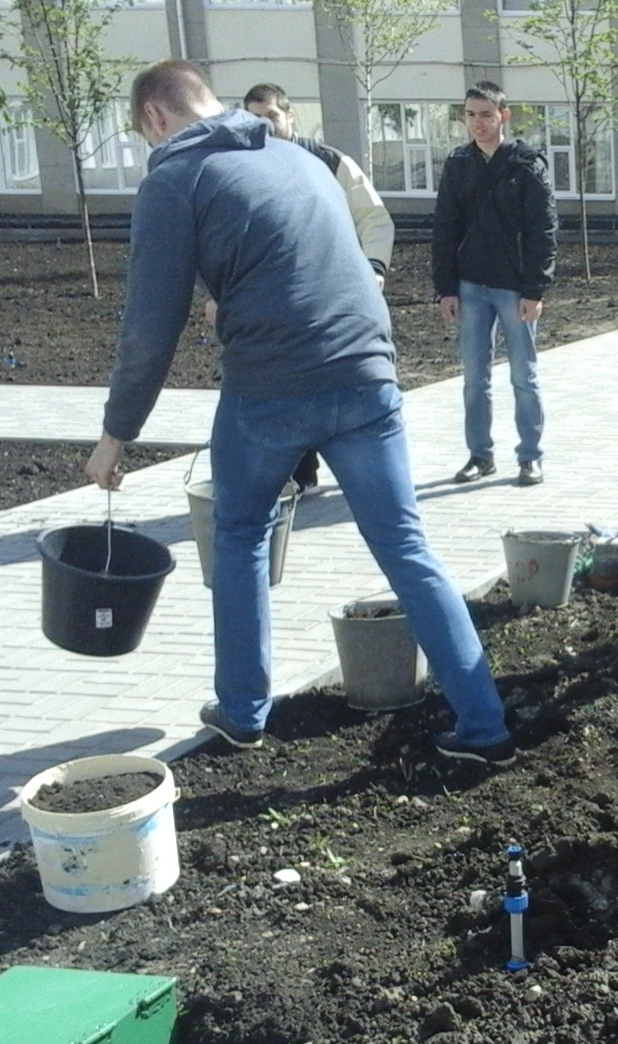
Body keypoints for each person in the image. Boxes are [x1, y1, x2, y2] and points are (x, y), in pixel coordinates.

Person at [84, 60, 515, 765]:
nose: (150, 148)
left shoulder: (176, 177)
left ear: (155, 118)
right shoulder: (297, 157)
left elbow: (149, 325)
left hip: (272, 389)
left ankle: (243, 711)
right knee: (405, 547)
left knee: (239, 534)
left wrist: (115, 435)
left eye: (145, 136)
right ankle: (485, 727)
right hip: (367, 373)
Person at [238, 82, 396, 495]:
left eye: (271, 116)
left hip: (334, 298)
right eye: (254, 118)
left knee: (337, 382)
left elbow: (374, 218)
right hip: (275, 299)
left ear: (290, 116)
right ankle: (297, 474)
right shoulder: (240, 167)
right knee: (284, 383)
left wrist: (374, 268)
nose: (264, 126)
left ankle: (365, 477)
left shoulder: (330, 162)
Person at [432, 81, 556, 488]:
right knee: (474, 379)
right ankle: (480, 455)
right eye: (470, 115)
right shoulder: (458, 165)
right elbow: (444, 228)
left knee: (524, 377)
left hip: (515, 290)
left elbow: (543, 231)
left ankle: (530, 457)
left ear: (504, 116)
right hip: (470, 288)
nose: (477, 123)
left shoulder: (526, 165)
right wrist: (445, 287)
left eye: (486, 114)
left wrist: (535, 290)